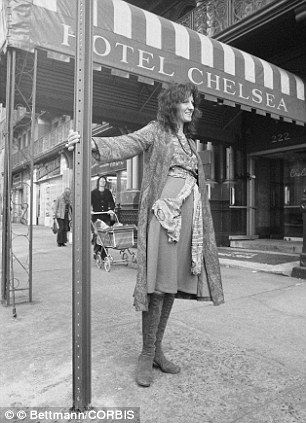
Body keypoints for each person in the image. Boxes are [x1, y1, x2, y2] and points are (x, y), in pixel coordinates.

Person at [67, 82, 224, 387]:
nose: (191, 106)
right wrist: (89, 142)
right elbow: (126, 143)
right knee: (157, 286)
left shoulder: (190, 142)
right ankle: (146, 352)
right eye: (185, 102)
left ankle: (157, 351)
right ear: (171, 106)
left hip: (188, 221)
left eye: (193, 102)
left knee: (170, 285)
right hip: (163, 219)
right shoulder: (157, 130)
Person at [91, 176, 115, 259]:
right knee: (97, 234)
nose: (102, 182)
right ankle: (96, 251)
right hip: (96, 216)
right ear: (98, 182)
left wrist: (111, 209)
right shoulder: (93, 192)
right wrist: (91, 210)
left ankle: (104, 254)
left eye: (104, 181)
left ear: (105, 183)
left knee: (105, 234)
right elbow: (89, 203)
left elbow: (112, 202)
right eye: (101, 181)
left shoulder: (108, 192)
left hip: (105, 216)